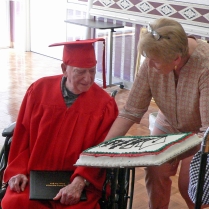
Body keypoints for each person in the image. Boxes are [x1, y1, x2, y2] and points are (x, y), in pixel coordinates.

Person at [104, 17, 209, 209]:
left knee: (191, 186)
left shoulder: (206, 66)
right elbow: (130, 111)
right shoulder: (154, 59)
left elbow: (206, 131)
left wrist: (179, 154)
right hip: (169, 120)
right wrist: (103, 148)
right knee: (155, 170)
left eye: (155, 62)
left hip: (202, 133)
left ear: (176, 59)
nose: (149, 65)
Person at [1, 38, 118, 209]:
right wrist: (18, 171)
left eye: (92, 71)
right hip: (35, 177)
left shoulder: (104, 105)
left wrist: (80, 181)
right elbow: (22, 135)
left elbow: (103, 150)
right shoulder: (38, 91)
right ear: (64, 69)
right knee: (15, 202)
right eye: (80, 72)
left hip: (79, 181)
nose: (88, 79)